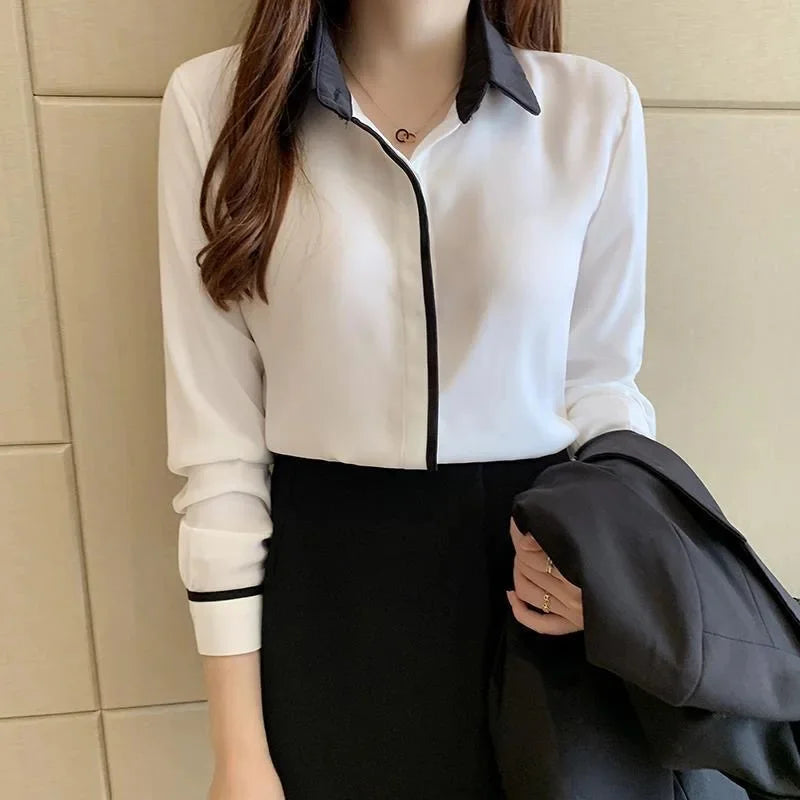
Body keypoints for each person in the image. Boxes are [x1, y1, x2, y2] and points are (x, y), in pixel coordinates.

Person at [157, 0, 656, 797]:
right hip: (326, 605)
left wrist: (614, 568)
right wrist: (238, 751)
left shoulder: (594, 107)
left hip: (539, 596)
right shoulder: (216, 103)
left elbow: (601, 385)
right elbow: (219, 448)